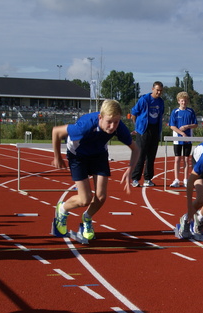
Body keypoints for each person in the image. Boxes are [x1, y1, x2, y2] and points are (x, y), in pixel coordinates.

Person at [52, 99, 139, 241]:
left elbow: (135, 149)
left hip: (98, 155)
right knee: (85, 199)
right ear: (100, 117)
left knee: (101, 197)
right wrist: (57, 157)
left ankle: (86, 219)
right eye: (109, 122)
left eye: (116, 122)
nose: (112, 127)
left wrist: (130, 169)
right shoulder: (84, 126)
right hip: (77, 155)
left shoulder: (119, 127)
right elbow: (56, 132)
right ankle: (62, 209)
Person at [131, 81, 164, 188]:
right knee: (141, 155)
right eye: (157, 90)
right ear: (152, 89)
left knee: (151, 156)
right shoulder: (144, 100)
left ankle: (148, 178)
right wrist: (138, 127)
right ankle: (135, 178)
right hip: (144, 130)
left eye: (160, 90)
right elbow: (134, 114)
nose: (158, 92)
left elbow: (160, 115)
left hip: (155, 130)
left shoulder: (161, 102)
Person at [168, 91, 198, 188]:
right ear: (178, 101)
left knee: (186, 159)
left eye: (185, 101)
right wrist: (182, 133)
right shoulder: (175, 112)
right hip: (177, 139)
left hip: (188, 139)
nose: (183, 103)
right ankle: (176, 179)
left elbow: (195, 124)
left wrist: (187, 126)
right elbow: (172, 126)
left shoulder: (190, 111)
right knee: (177, 159)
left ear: (187, 101)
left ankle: (185, 179)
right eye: (182, 101)